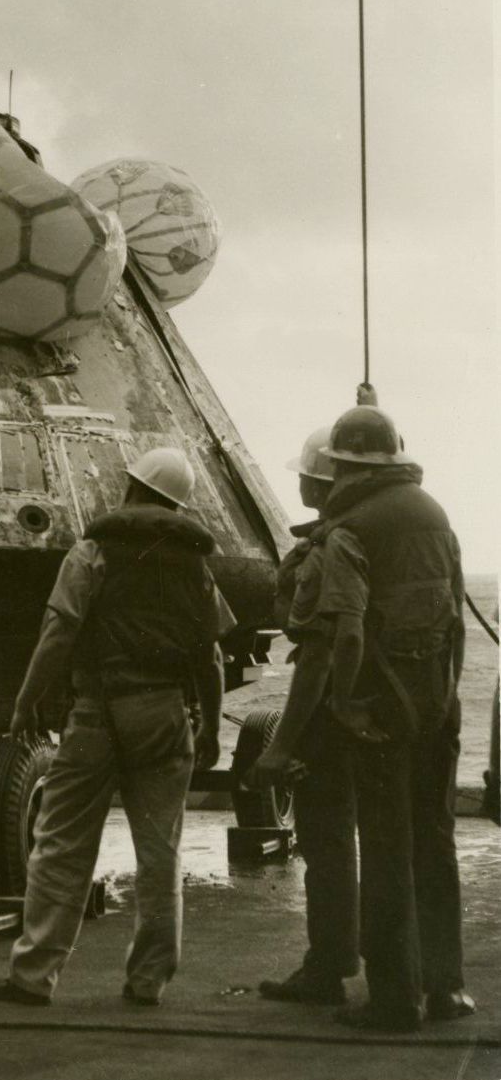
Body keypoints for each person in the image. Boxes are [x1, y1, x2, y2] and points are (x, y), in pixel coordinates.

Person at [0, 448, 230, 1009]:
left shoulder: (92, 549)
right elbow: (211, 659)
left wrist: (25, 704)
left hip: (97, 714)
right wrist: (214, 728)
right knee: (160, 853)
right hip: (167, 716)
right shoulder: (196, 565)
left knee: (61, 845)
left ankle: (33, 977)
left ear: (130, 489)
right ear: (176, 504)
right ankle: (148, 982)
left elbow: (58, 633)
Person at [312, 405, 473, 1031]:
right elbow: (456, 625)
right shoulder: (437, 516)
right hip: (439, 706)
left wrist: (346, 701)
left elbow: (348, 632)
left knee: (383, 850)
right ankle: (448, 988)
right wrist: (444, 697)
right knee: (435, 843)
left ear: (342, 464)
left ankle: (394, 999)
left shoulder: (353, 526)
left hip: (379, 713)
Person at [252, 426, 359, 1005]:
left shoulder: (324, 549)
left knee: (326, 840)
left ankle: (328, 967)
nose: (297, 482)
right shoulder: (348, 540)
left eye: (305, 475)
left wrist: (281, 744)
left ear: (321, 482)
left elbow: (313, 654)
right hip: (377, 705)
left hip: (330, 714)